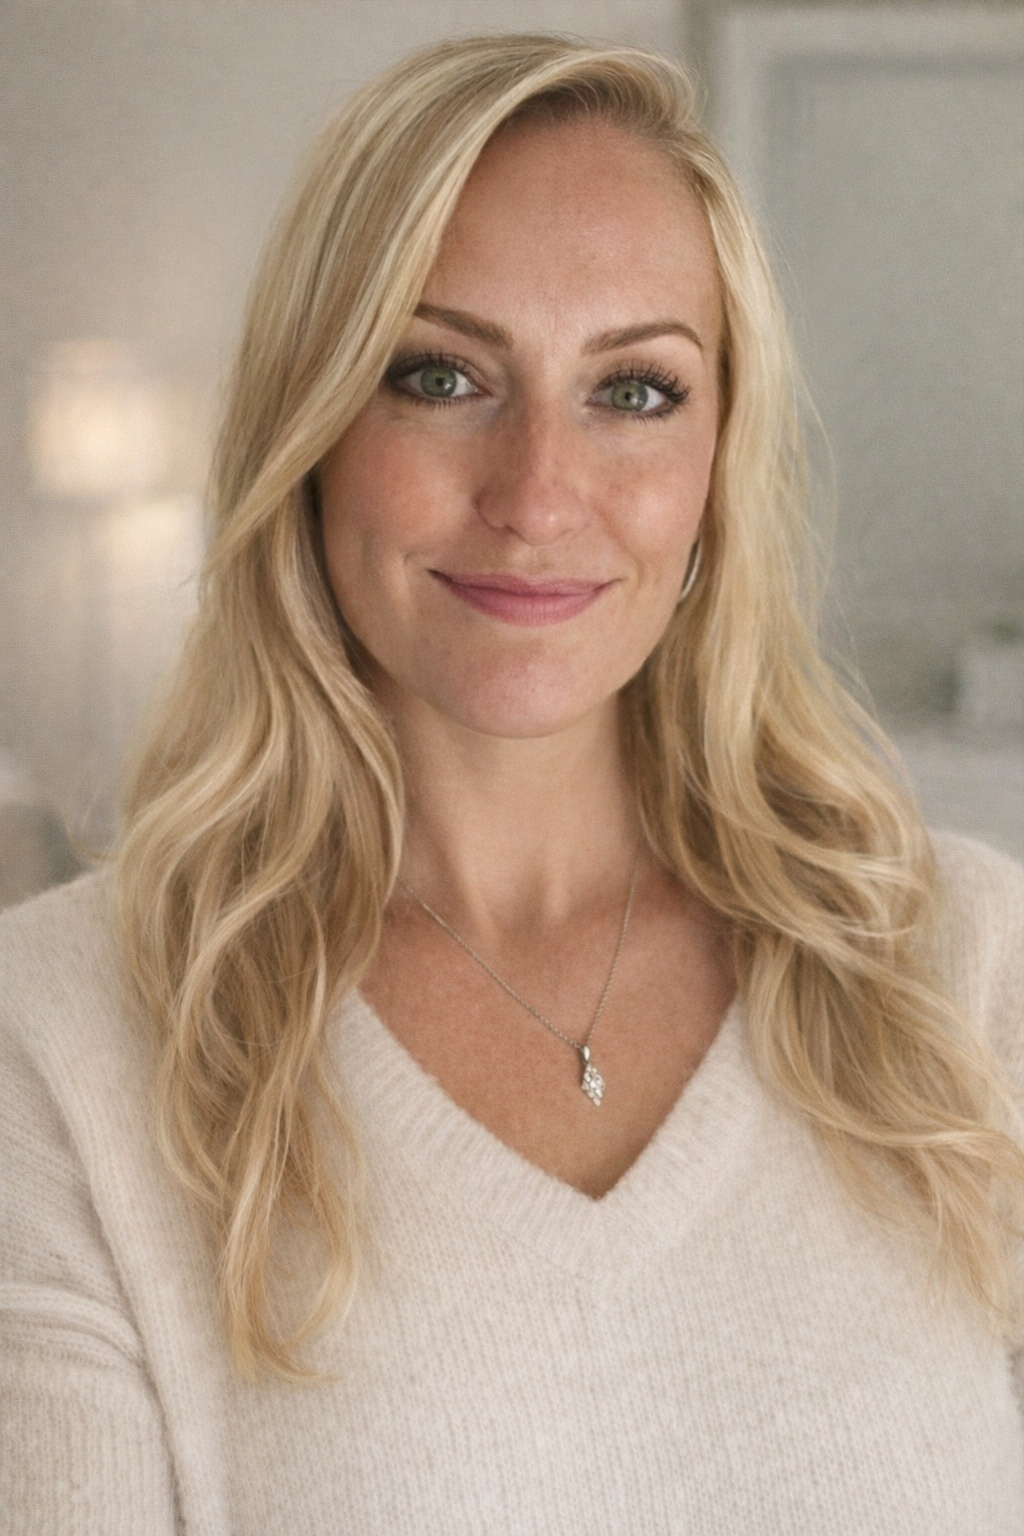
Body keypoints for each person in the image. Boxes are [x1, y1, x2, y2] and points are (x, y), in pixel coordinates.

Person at [1, 33, 1021, 1535]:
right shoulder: (66, 1043)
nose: (538, 492)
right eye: (442, 375)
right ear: (316, 430)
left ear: (719, 459)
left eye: (637, 392)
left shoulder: (969, 974)